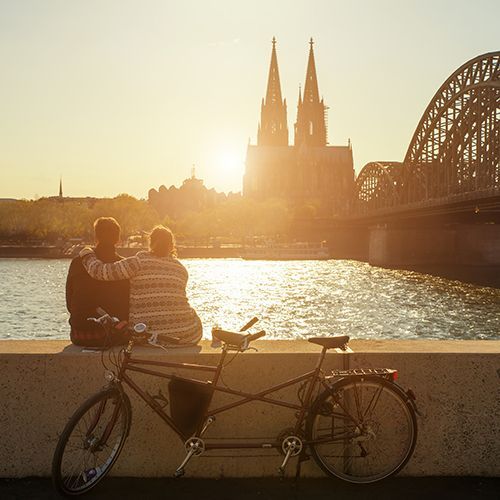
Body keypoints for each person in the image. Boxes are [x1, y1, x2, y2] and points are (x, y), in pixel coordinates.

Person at [79, 225, 202, 346]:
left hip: (146, 335)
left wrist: (87, 254)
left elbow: (100, 272)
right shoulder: (180, 269)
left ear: (151, 243)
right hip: (186, 334)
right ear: (171, 246)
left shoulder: (138, 262)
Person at [66, 217, 130, 347]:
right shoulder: (123, 266)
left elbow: (69, 303)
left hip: (79, 334)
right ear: (118, 239)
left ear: (96, 237)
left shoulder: (78, 262)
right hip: (112, 335)